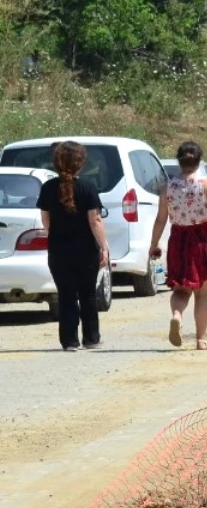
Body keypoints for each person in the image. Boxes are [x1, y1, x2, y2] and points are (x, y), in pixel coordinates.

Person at [150, 142, 207, 351]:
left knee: (181, 288)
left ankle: (177, 315)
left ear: (178, 161)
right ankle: (200, 339)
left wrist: (153, 245)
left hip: (179, 239)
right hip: (202, 238)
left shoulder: (167, 187)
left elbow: (160, 220)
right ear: (199, 161)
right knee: (202, 293)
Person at [36, 141, 110, 351]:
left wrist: (54, 235)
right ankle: (91, 338)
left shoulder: (48, 187)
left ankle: (69, 341)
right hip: (86, 249)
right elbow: (95, 220)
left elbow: (45, 217)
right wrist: (103, 246)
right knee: (87, 294)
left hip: (59, 249)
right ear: (80, 163)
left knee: (66, 294)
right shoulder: (87, 187)